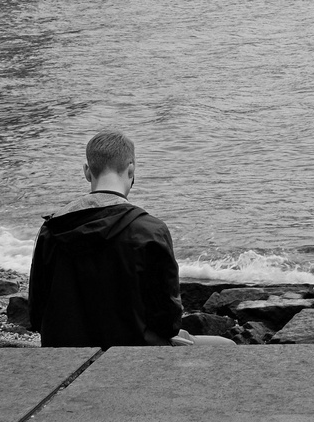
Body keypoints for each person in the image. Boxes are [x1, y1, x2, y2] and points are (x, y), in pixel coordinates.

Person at [28, 130, 232, 347]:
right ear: (131, 170)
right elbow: (167, 318)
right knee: (226, 346)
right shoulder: (150, 230)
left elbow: (36, 311)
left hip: (66, 351)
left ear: (87, 172)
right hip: (136, 350)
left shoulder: (52, 229)